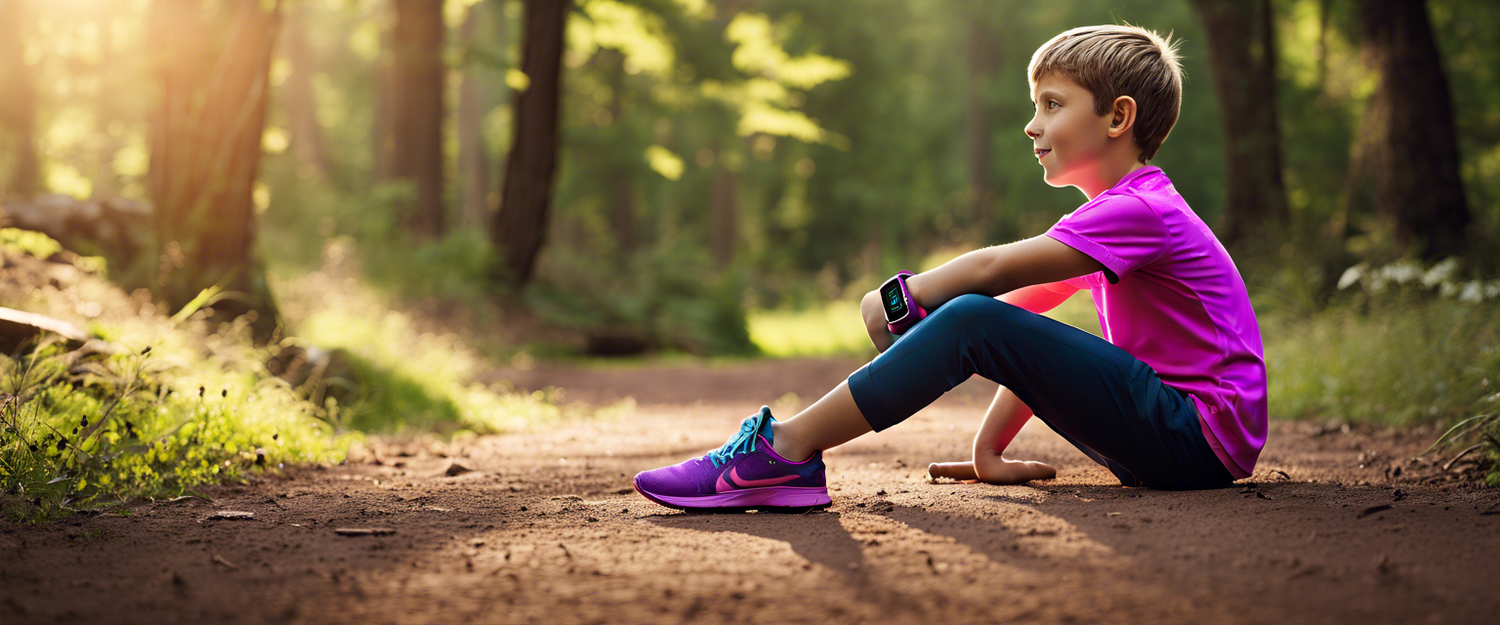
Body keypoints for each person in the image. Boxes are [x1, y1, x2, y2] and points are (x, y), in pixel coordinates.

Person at [633, 24, 1268, 511]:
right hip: (1183, 443)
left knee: (969, 315)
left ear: (1118, 117)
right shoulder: (1116, 219)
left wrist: (903, 296)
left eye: (1051, 104)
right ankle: (786, 452)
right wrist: (988, 450)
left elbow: (992, 271)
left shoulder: (1140, 210)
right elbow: (1022, 328)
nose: (1031, 125)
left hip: (1194, 433)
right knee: (982, 321)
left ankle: (786, 450)